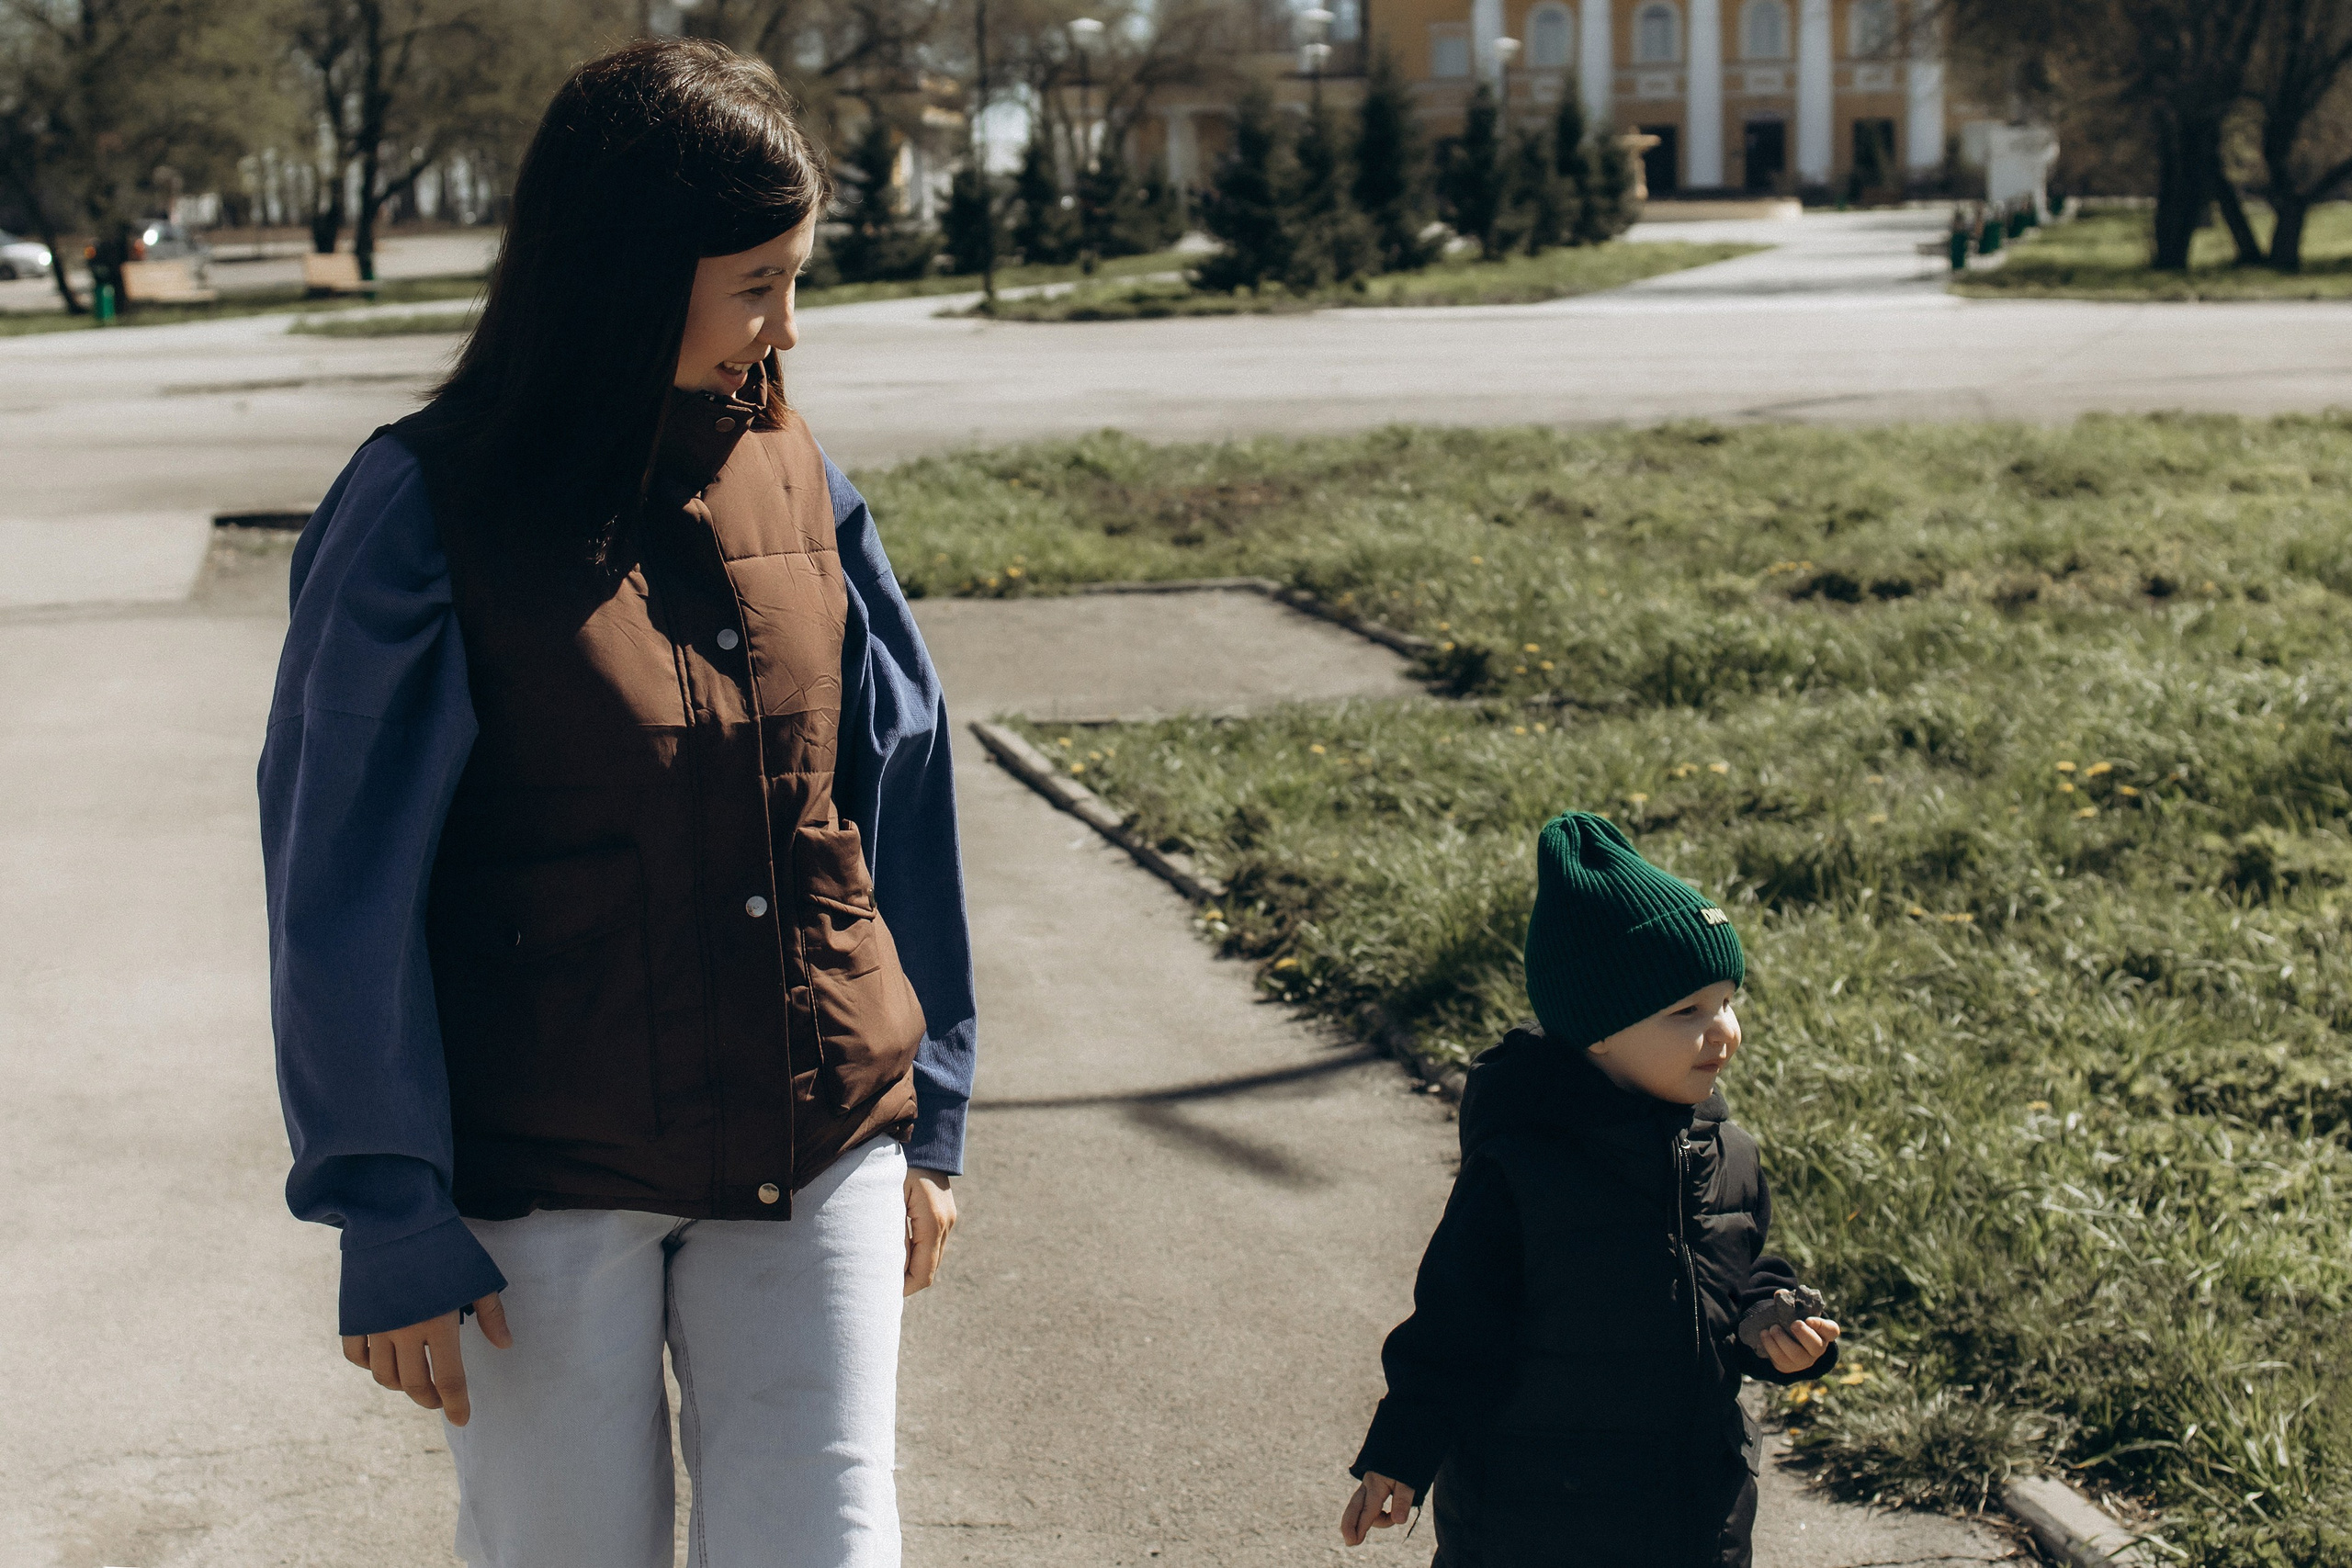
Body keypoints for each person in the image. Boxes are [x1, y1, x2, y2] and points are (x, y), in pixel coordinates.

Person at [258, 39, 975, 1568]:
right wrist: (386, 1205)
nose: (787, 324)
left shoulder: (801, 477)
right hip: (544, 1176)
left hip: (819, 1130)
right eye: (757, 283)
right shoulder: (418, 509)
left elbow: (890, 796)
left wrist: (932, 1118)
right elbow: (341, 873)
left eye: (797, 276)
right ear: (629, 277)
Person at [1338, 812, 1839, 1568]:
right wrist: (1402, 1452)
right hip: (1535, 1520)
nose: (1724, 1030)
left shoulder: (1727, 1152)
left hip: (1692, 1515)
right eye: (1687, 1011)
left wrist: (1772, 1325)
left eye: (1727, 1000)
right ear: (1596, 1029)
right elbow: (1454, 1330)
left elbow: (1739, 1276)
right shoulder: (1525, 1169)